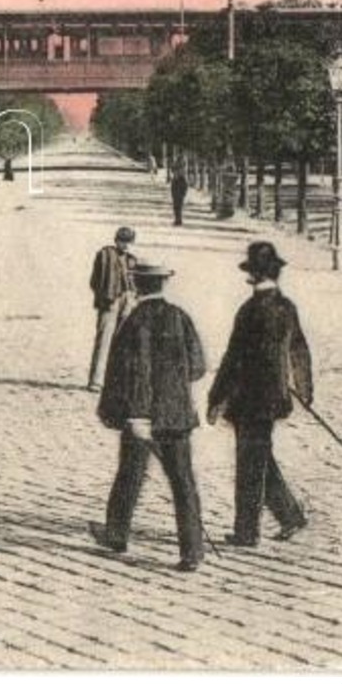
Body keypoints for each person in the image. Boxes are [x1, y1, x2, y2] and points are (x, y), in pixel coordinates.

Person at [90, 262, 208, 573]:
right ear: (162, 285)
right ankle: (193, 550)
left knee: (129, 475)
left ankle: (116, 535)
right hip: (178, 416)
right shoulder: (180, 317)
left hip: (141, 417)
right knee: (184, 482)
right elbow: (198, 367)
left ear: (137, 285)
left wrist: (135, 414)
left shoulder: (134, 322)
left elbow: (132, 373)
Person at [206, 241, 313, 547]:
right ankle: (290, 515)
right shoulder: (286, 307)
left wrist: (216, 398)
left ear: (252, 275)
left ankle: (247, 531)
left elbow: (233, 359)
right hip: (274, 397)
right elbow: (299, 350)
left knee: (250, 463)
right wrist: (304, 390)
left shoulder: (250, 310)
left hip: (249, 399)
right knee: (259, 456)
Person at [86, 227, 138, 392]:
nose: (126, 246)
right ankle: (96, 380)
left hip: (128, 299)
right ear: (116, 241)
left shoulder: (132, 259)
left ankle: (117, 382)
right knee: (104, 341)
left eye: (129, 242)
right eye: (123, 241)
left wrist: (132, 298)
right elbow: (94, 281)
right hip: (110, 300)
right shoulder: (105, 255)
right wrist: (105, 295)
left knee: (124, 341)